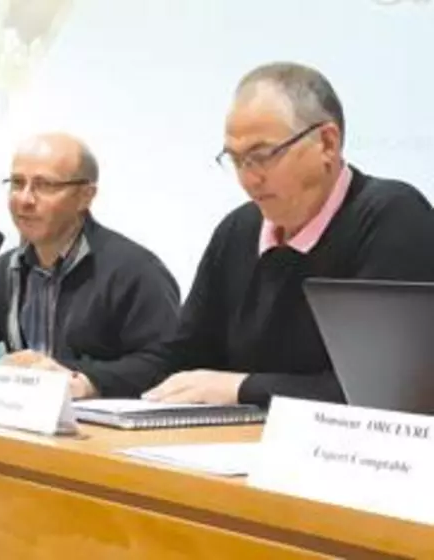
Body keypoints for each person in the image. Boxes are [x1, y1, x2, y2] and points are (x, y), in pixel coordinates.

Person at [142, 62, 434, 408]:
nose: (249, 179)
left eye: (262, 156)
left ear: (327, 143)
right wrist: (87, 382)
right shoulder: (239, 230)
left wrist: (243, 389)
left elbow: (384, 393)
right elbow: (182, 359)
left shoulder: (392, 216)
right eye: (236, 160)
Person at [0, 132, 180, 398]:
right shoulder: (5, 270)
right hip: (21, 426)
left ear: (86, 196)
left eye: (45, 186)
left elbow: (164, 364)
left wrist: (78, 378)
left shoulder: (135, 271)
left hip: (98, 434)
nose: (25, 200)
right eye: (17, 183)